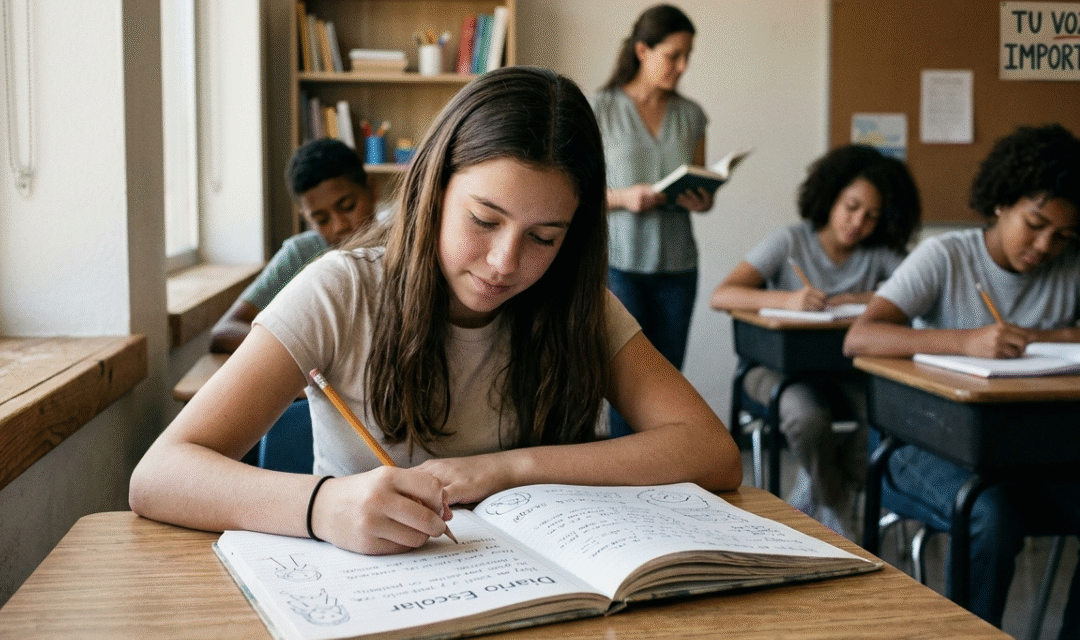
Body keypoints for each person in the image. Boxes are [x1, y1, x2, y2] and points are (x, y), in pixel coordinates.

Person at [130, 66, 742, 556]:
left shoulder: (577, 303)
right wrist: (324, 506)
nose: (505, 262)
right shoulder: (340, 290)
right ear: (434, 189)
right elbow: (159, 475)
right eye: (484, 220)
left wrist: (505, 470)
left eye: (544, 237)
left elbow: (711, 451)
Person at [843, 123, 1080, 634]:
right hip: (922, 446)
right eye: (1034, 224)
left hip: (1028, 451)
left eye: (1062, 236)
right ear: (1001, 203)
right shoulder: (946, 256)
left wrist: (1057, 337)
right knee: (989, 516)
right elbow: (860, 337)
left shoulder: (1071, 268)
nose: (1044, 246)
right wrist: (964, 341)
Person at [710, 144, 921, 539]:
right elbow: (722, 295)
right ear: (832, 195)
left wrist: (861, 299)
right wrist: (786, 300)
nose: (858, 222)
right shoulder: (789, 241)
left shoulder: (881, 255)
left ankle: (818, 482)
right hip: (775, 370)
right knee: (806, 417)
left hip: (848, 374)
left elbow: (921, 296)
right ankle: (835, 504)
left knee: (888, 420)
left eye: (872, 216)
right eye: (852, 206)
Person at [592, 4, 714, 437]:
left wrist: (701, 199)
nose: (682, 67)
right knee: (627, 389)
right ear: (643, 50)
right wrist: (626, 197)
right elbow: (575, 191)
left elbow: (698, 181)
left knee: (668, 386)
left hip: (678, 268)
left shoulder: (692, 115)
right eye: (673, 55)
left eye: (687, 56)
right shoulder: (600, 109)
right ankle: (628, 483)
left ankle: (659, 482)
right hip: (621, 266)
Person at [209, 137, 375, 354]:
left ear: (372, 190)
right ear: (305, 216)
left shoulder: (405, 247)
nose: (338, 226)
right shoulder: (302, 253)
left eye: (348, 206)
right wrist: (305, 348)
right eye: (321, 219)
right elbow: (224, 332)